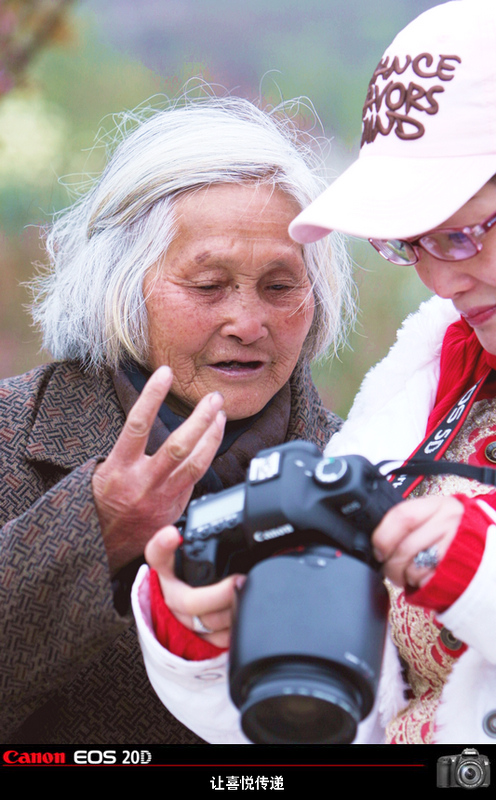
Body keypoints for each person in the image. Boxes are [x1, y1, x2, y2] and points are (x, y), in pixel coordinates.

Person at [0, 93, 354, 744]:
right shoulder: (10, 438)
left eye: (280, 287)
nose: (248, 325)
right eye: (208, 285)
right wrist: (96, 531)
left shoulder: (362, 464)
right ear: (121, 283)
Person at [288, 0, 496, 744]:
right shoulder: (437, 373)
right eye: (413, 244)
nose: (441, 283)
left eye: (464, 233)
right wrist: (222, 646)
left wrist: (475, 564)